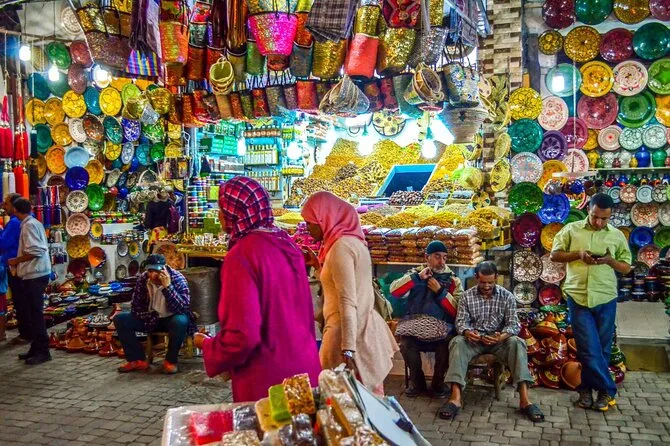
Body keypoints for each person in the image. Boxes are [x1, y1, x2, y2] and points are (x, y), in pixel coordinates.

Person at [196, 177, 321, 402]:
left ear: (234, 213)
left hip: (269, 381)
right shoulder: (286, 243)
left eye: (222, 210)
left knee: (269, 427)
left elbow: (242, 335)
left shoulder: (242, 255)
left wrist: (208, 346)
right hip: (304, 371)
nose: (220, 216)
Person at [301, 191, 398, 396]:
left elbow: (347, 301)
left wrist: (348, 348)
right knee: (368, 400)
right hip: (362, 328)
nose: (307, 228)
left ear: (324, 218)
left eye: (310, 223)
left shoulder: (340, 248)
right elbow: (340, 285)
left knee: (346, 402)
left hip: (348, 334)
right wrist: (318, 267)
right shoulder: (352, 242)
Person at [550, 193, 632, 411]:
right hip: (578, 297)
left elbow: (626, 267)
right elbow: (554, 255)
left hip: (606, 297)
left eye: (604, 219)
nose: (598, 222)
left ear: (610, 216)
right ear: (589, 209)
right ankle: (608, 389)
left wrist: (610, 261)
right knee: (588, 348)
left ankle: (587, 391)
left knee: (602, 349)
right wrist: (577, 254)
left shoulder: (616, 235)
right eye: (595, 216)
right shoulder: (571, 229)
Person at [439, 261, 544, 422]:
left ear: (496, 278)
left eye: (490, 282)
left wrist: (500, 337)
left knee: (517, 343)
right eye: (483, 282)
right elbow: (461, 323)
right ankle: (455, 398)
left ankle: (525, 400)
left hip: (498, 341)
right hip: (474, 341)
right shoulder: (467, 296)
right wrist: (468, 332)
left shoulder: (507, 296)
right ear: (476, 278)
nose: (487, 286)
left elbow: (513, 325)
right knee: (457, 342)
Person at [390, 240, 463, 398]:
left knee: (447, 344)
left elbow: (457, 310)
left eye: (444, 257)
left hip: (442, 330)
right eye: (437, 256)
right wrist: (417, 278)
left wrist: (440, 292)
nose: (441, 261)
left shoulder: (453, 280)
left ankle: (438, 384)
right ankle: (418, 383)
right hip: (414, 328)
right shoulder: (415, 274)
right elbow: (394, 291)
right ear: (427, 257)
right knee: (406, 344)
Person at [115, 254, 195, 374]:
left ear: (164, 269)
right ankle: (137, 359)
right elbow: (136, 306)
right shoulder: (143, 279)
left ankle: (170, 361)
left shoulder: (177, 279)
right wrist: (148, 315)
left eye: (156, 271)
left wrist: (168, 288)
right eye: (150, 271)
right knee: (120, 319)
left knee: (181, 321)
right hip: (150, 318)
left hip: (170, 318)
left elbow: (182, 308)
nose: (153, 275)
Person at [8, 198, 52, 365]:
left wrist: (16, 260)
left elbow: (36, 251)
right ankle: (36, 347)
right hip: (36, 273)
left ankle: (43, 350)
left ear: (15, 210)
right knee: (33, 313)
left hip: (35, 274)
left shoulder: (29, 226)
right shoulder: (33, 223)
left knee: (35, 313)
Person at [0, 193, 21, 343]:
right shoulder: (19, 221)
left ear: (14, 206)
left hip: (15, 266)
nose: (3, 206)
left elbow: (3, 243)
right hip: (14, 266)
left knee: (20, 302)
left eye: (6, 204)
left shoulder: (14, 223)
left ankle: (26, 333)